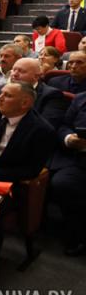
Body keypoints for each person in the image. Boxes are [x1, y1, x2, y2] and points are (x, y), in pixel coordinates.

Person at [50, 92, 86, 256]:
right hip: (79, 157)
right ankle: (77, 234)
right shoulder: (81, 98)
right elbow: (64, 125)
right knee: (62, 183)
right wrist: (68, 138)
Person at [0, 57, 68, 128]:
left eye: (21, 71)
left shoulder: (51, 95)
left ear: (36, 76)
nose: (14, 74)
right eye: (14, 70)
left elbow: (45, 127)